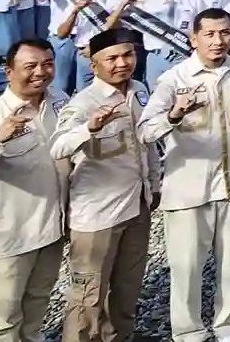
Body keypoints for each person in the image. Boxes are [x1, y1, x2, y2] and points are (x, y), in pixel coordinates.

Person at [140, 7, 230, 342]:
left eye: (224, 33)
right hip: (189, 189)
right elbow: (146, 130)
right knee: (187, 267)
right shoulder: (174, 78)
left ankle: (228, 326)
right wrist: (176, 114)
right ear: (193, 39)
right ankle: (189, 331)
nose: (217, 40)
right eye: (209, 34)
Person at [52, 27, 158, 342]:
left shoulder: (138, 89)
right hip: (97, 215)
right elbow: (58, 147)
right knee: (88, 295)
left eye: (127, 55)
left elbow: (146, 142)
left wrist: (154, 182)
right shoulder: (83, 103)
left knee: (127, 285)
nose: (121, 63)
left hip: (136, 204)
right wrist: (90, 127)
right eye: (111, 58)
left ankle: (119, 337)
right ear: (94, 65)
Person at [0, 38, 68, 342]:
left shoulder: (59, 101)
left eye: (47, 64)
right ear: (9, 71)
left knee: (35, 310)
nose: (40, 72)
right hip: (8, 237)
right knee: (3, 319)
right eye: (30, 66)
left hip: (51, 230)